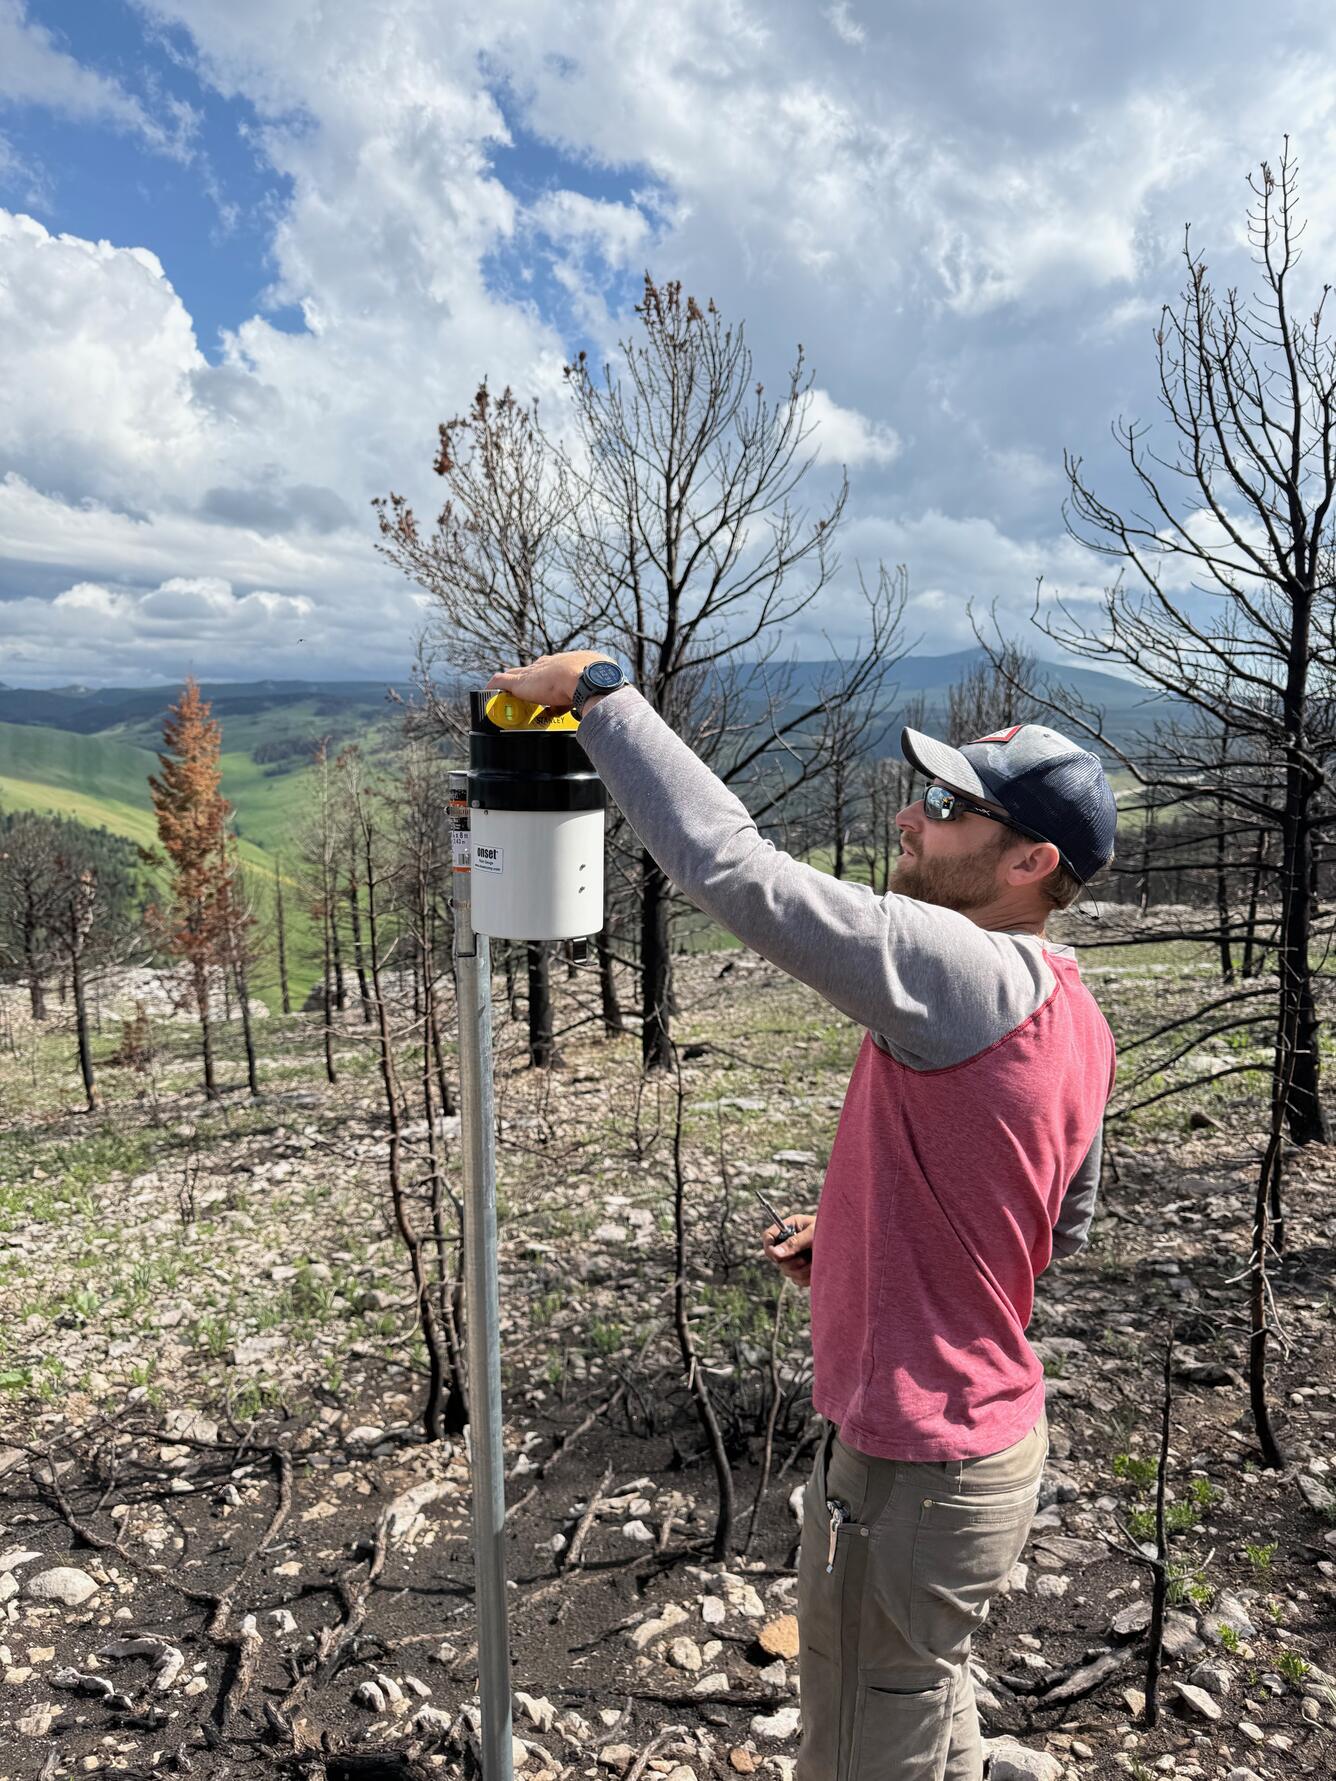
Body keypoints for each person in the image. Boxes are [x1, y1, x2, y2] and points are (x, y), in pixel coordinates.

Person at [486, 652, 1118, 1781]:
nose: (909, 817)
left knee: (862, 1748)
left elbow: (734, 867)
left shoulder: (964, 970)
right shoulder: (1073, 1008)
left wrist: (600, 694)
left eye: (947, 807)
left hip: (915, 1464)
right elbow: (1047, 1227)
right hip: (980, 1446)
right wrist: (867, 1248)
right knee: (919, 1698)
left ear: (1032, 862)